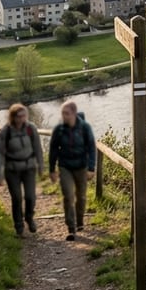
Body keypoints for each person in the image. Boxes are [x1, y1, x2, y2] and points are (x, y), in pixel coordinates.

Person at [49, 101, 97, 241]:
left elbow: (91, 148)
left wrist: (91, 168)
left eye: (67, 113)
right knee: (68, 196)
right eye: (62, 113)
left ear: (74, 113)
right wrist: (52, 169)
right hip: (65, 167)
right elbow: (53, 150)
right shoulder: (59, 129)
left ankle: (80, 221)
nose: (64, 116)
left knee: (81, 196)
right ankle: (71, 227)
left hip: (81, 166)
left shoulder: (85, 127)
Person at [0, 103, 44, 237]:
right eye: (20, 116)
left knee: (30, 197)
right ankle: (19, 226)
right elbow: (0, 153)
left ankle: (29, 217)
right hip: (12, 170)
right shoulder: (6, 131)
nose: (23, 118)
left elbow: (38, 148)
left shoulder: (31, 128)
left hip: (29, 168)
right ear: (13, 117)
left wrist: (41, 166)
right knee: (16, 198)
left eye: (24, 115)